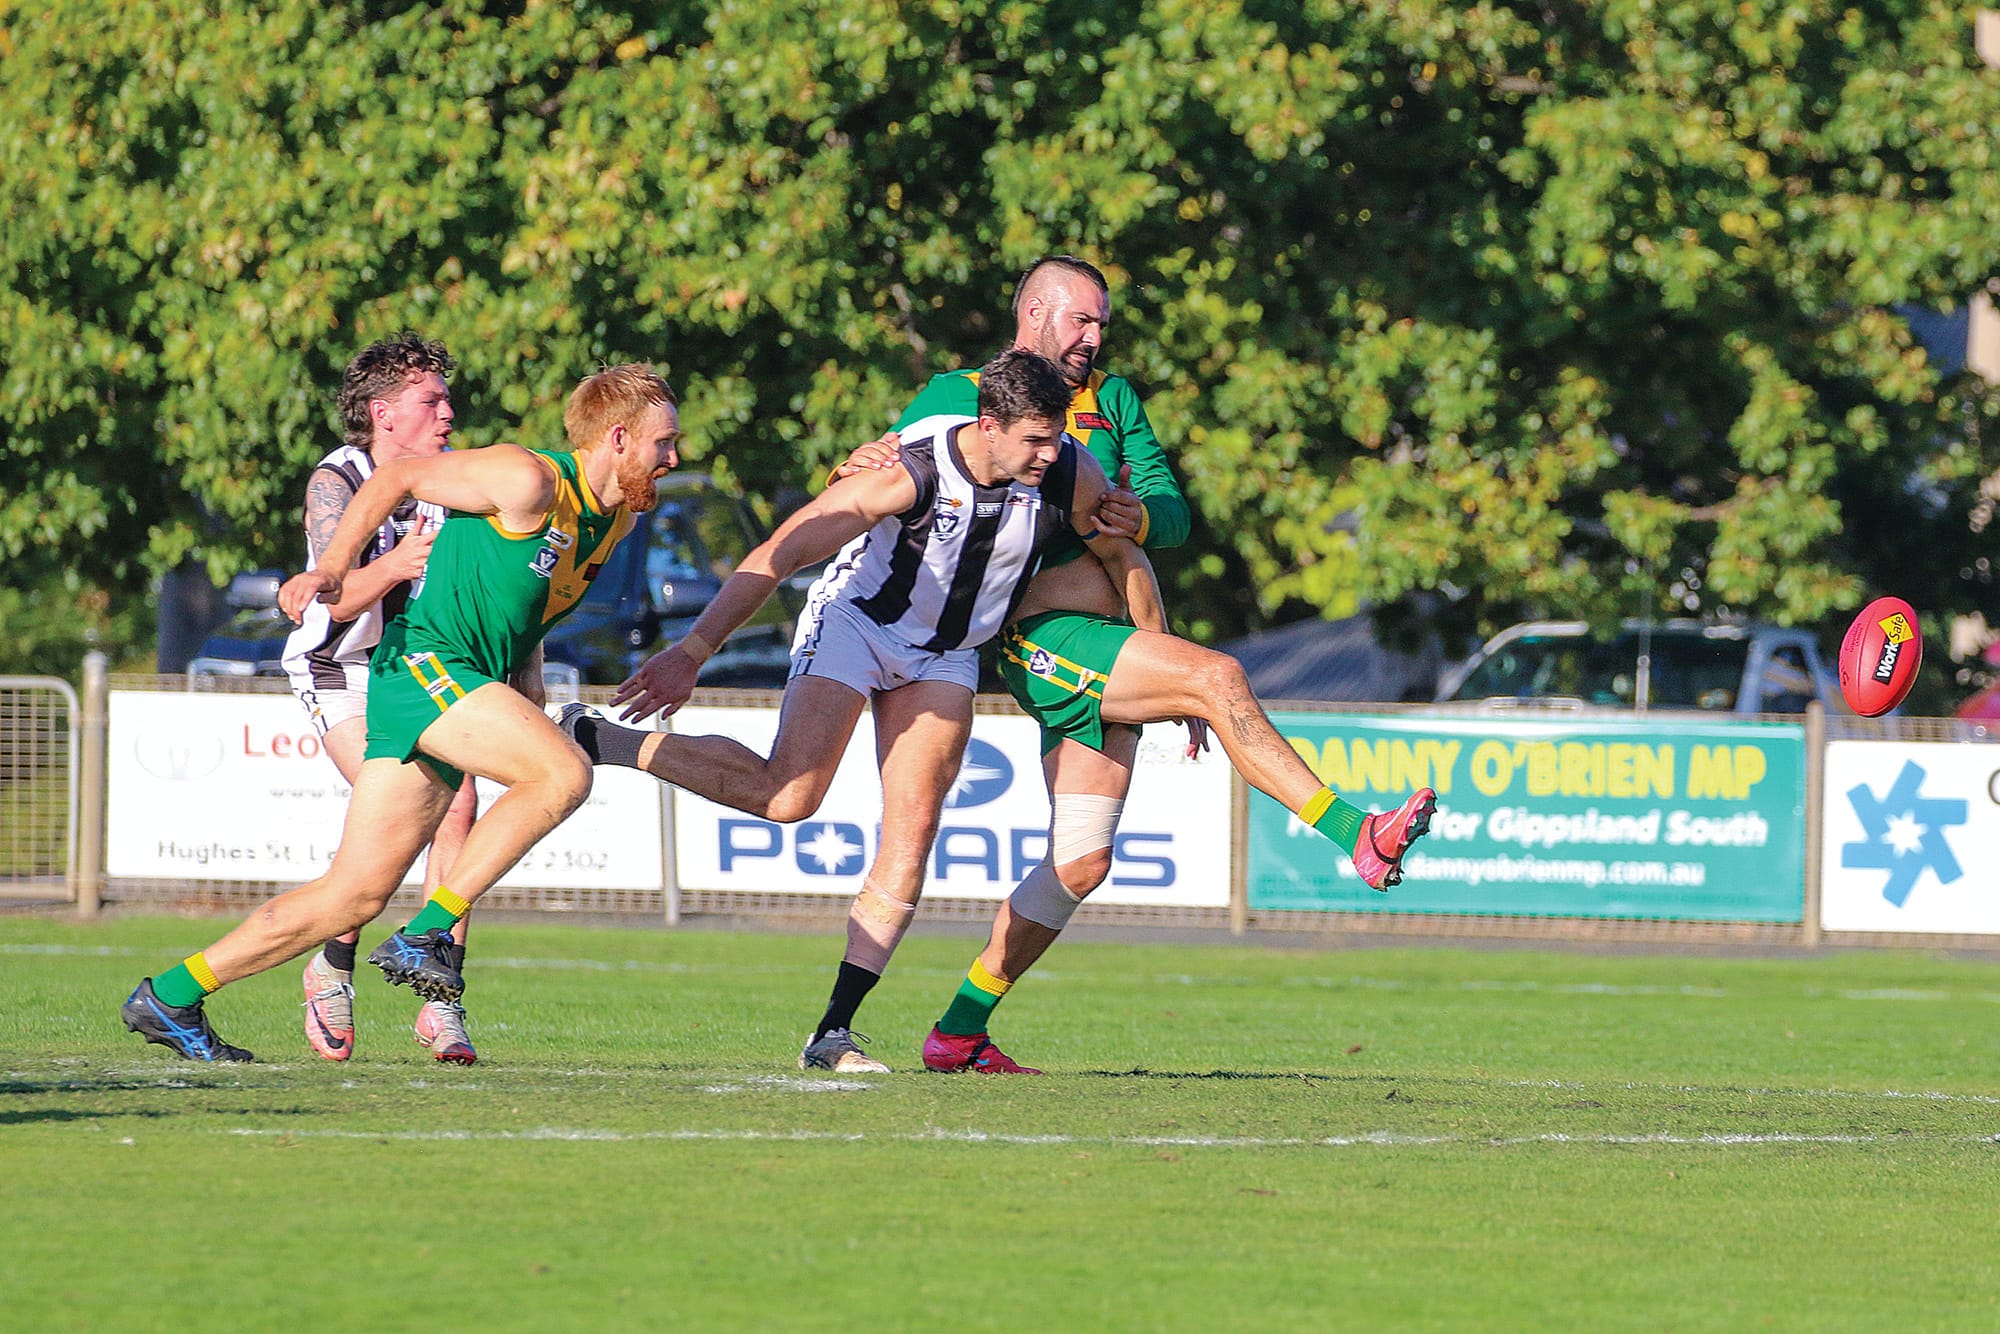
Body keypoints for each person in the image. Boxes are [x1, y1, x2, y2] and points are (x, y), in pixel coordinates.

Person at [559, 349, 1140, 1075]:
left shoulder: (1066, 468)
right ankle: (603, 740)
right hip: (858, 624)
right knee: (789, 796)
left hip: (946, 654)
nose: (1050, 455)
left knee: (914, 827)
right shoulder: (908, 471)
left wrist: (1150, 634)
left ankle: (834, 1032)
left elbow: (1127, 549)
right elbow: (780, 552)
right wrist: (695, 649)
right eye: (1035, 441)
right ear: (988, 425)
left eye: (1057, 438)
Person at [119, 363, 679, 1061]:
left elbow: (533, 601)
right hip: (426, 668)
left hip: (454, 681)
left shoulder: (615, 520)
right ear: (619, 437)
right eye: (665, 443)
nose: (674, 458)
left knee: (351, 899)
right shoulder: (527, 476)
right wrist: (332, 569)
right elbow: (395, 481)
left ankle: (170, 995)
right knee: (562, 773)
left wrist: (527, 676)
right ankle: (430, 932)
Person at [281, 333, 481, 1065]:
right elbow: (334, 607)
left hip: (418, 669)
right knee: (405, 807)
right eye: (431, 400)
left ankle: (440, 1000)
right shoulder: (339, 478)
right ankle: (332, 964)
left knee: (459, 806)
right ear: (383, 412)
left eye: (448, 399)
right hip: (340, 668)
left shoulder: (456, 478)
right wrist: (397, 563)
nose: (448, 413)